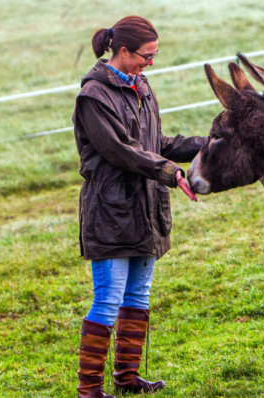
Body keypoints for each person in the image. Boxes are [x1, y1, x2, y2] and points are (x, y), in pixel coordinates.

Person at [71, 15, 206, 397]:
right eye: (146, 56)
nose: (151, 63)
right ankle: (89, 390)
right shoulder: (93, 98)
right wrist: (170, 173)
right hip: (111, 213)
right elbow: (120, 151)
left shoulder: (141, 87)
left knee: (137, 297)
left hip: (146, 211)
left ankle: (127, 379)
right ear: (123, 51)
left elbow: (155, 141)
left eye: (154, 55)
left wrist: (210, 144)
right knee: (108, 300)